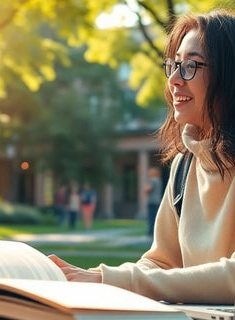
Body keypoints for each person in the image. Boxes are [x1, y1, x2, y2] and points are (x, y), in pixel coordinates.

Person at [49, 9, 235, 304]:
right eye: (173, 65)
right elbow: (161, 264)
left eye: (190, 66)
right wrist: (92, 278)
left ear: (227, 75)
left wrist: (106, 279)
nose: (174, 79)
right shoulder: (184, 166)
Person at [144, 167, 162, 237]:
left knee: (151, 218)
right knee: (155, 217)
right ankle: (155, 233)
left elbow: (147, 189)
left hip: (152, 201)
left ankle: (151, 233)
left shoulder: (152, 180)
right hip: (157, 201)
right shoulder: (159, 180)